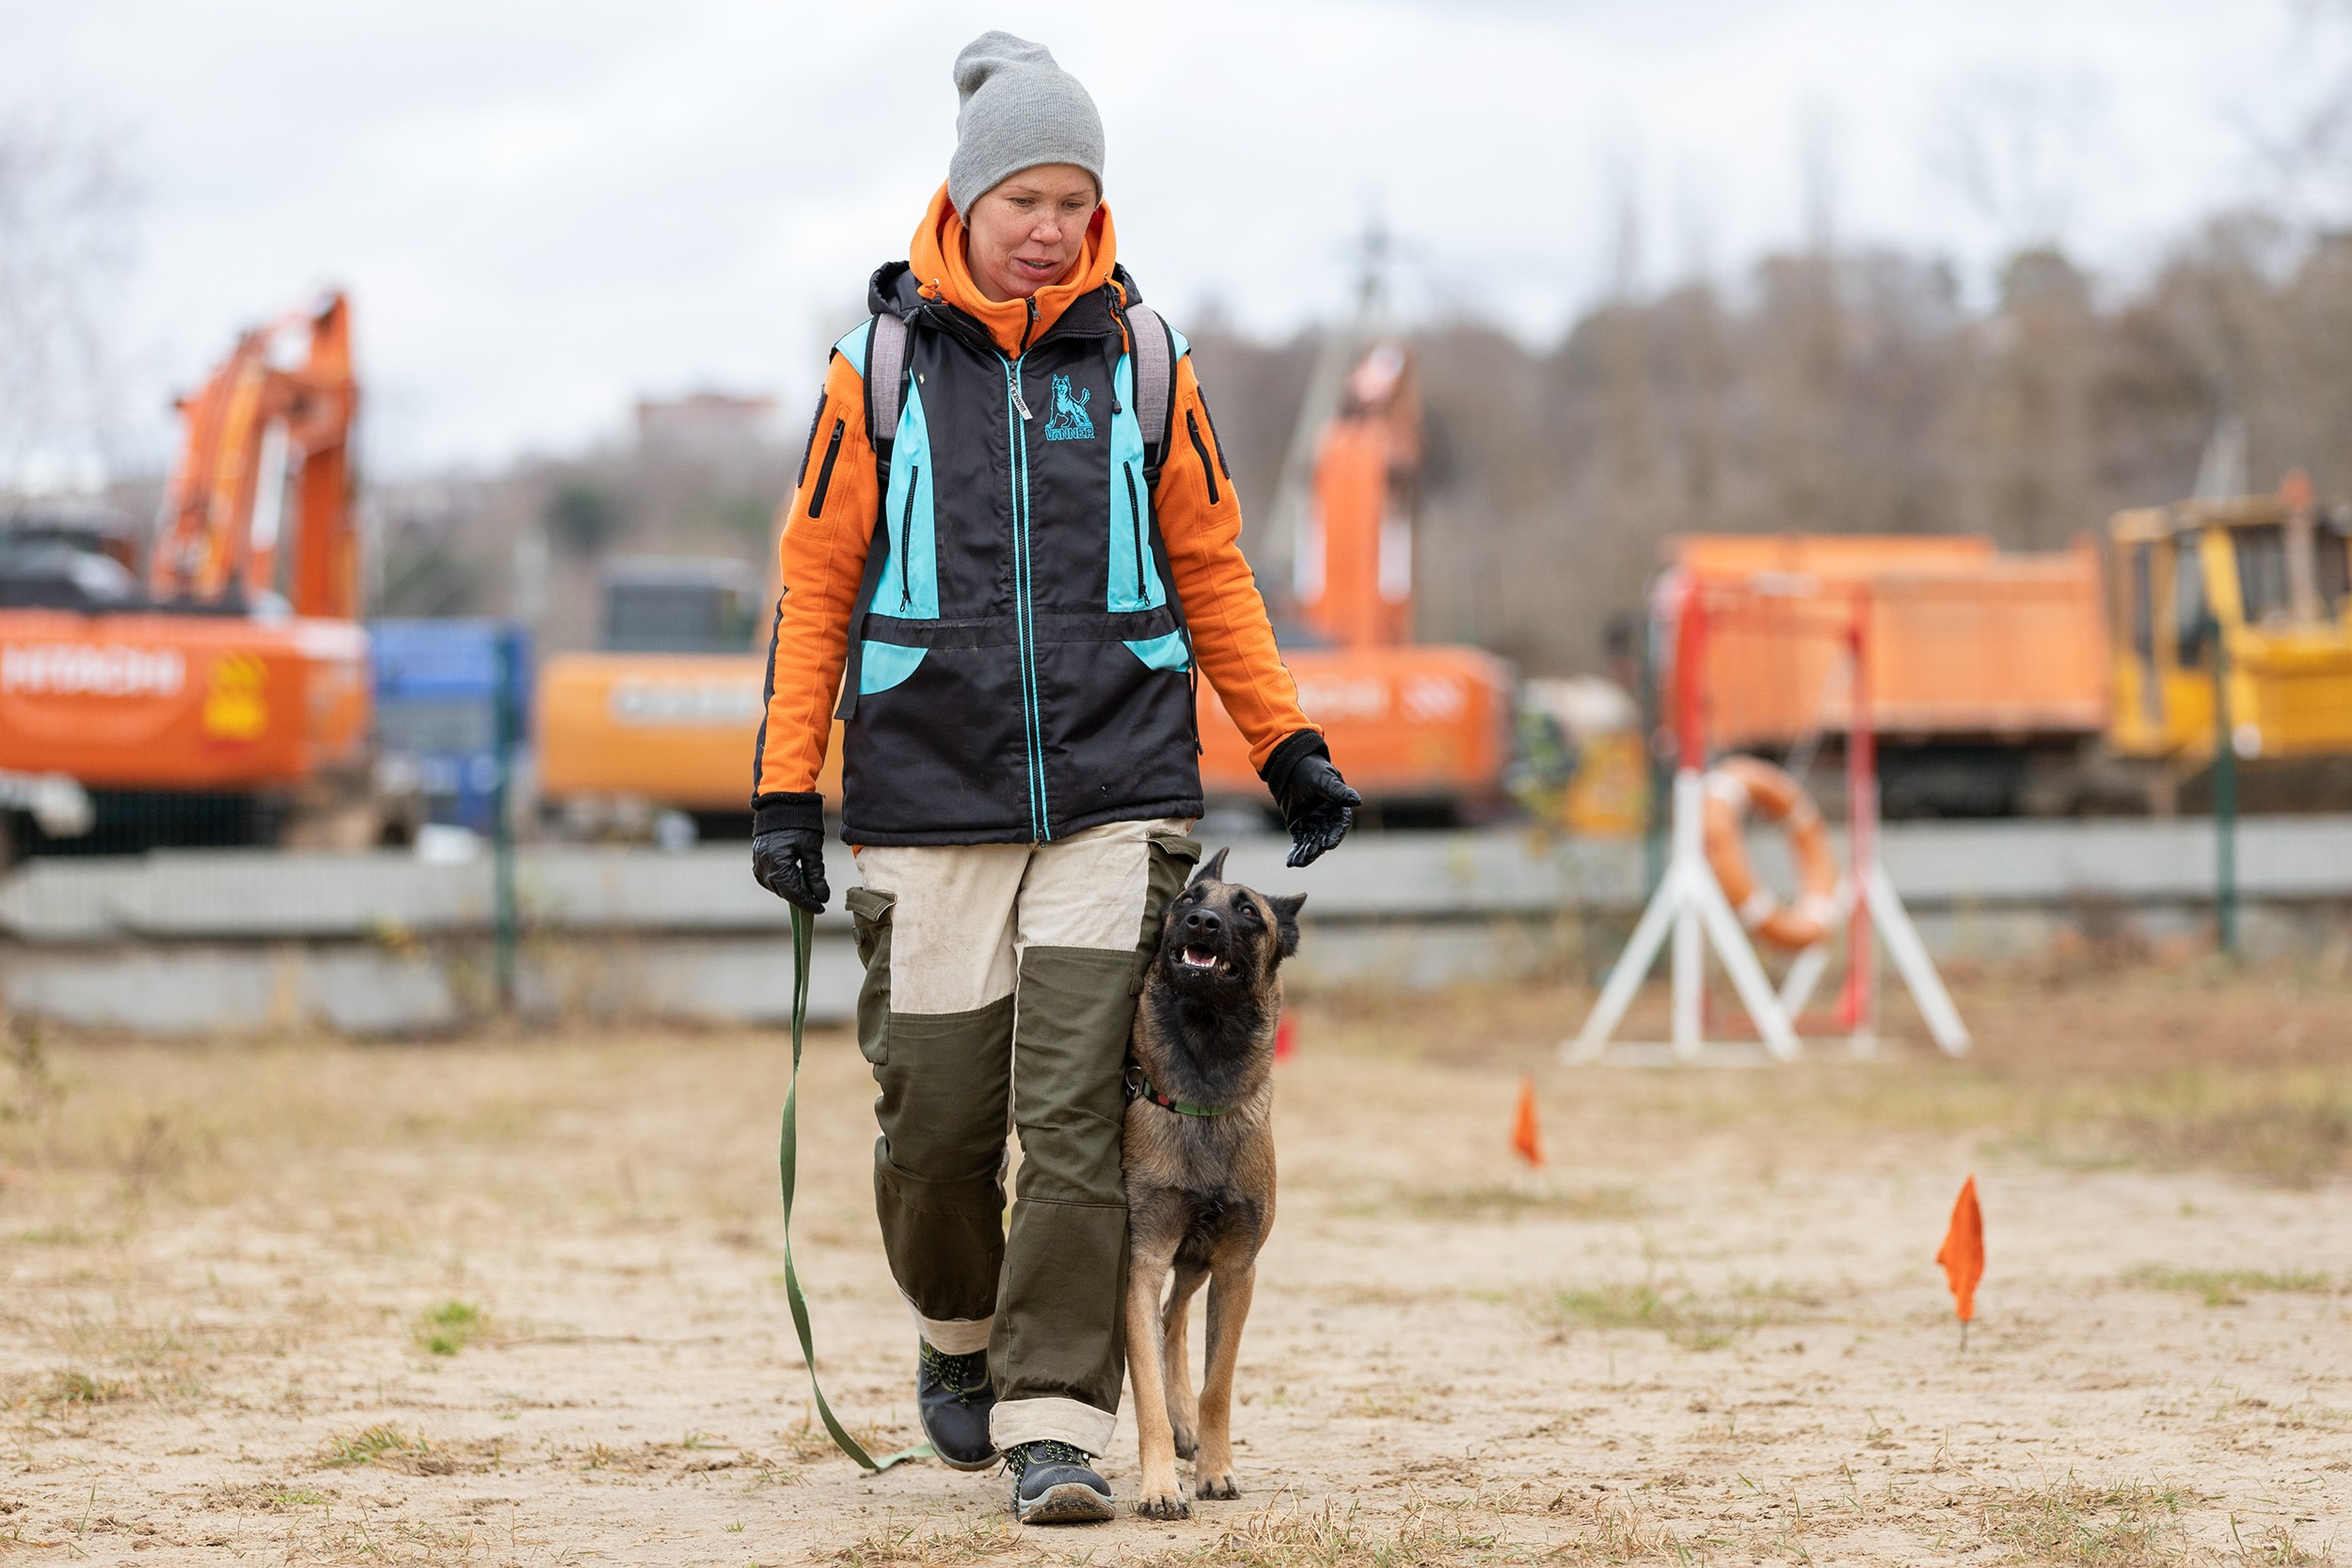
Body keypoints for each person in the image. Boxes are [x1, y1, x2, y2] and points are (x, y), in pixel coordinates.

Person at [748, 31, 1358, 1524]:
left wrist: (1285, 744)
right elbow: (815, 586)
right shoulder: (877, 369)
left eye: (1076, 198)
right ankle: (958, 1338)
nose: (1052, 224)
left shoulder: (1144, 362)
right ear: (965, 201)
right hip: (925, 801)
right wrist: (783, 787)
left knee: (1080, 1126)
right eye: (1026, 195)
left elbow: (1211, 563)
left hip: (1119, 797)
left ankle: (1053, 1430)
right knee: (940, 1128)